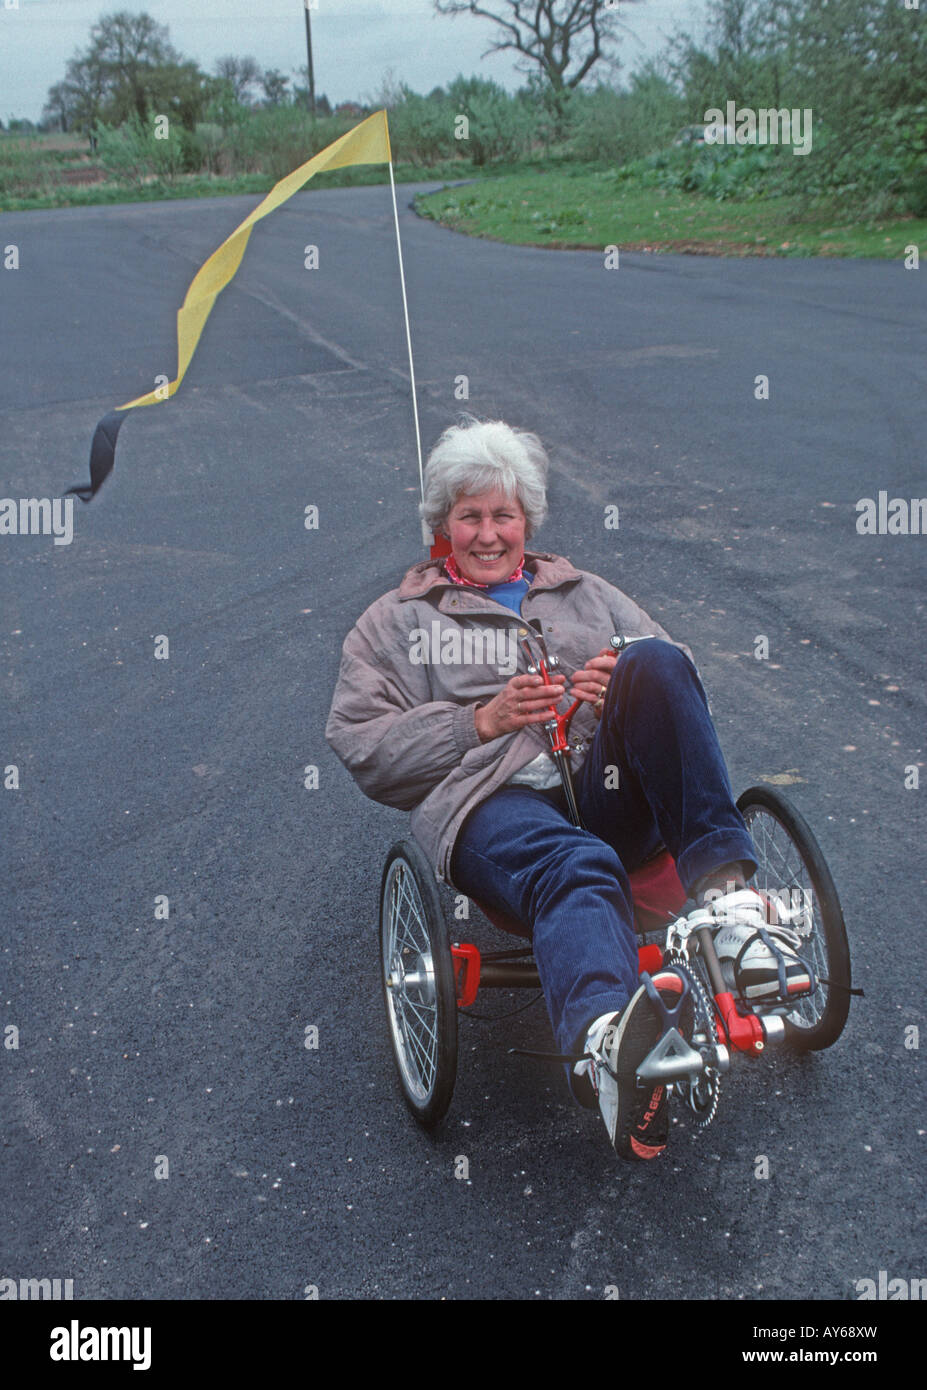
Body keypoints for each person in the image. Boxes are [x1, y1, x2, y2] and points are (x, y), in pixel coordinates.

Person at [326, 417, 803, 1161]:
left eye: (503, 514)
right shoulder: (394, 623)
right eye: (470, 516)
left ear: (527, 520)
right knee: (578, 867)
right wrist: (475, 723)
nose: (488, 533)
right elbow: (362, 749)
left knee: (649, 659)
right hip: (491, 806)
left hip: (601, 784)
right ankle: (606, 1045)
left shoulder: (583, 591)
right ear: (441, 526)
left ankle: (730, 914)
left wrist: (616, 686)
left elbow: (681, 676)